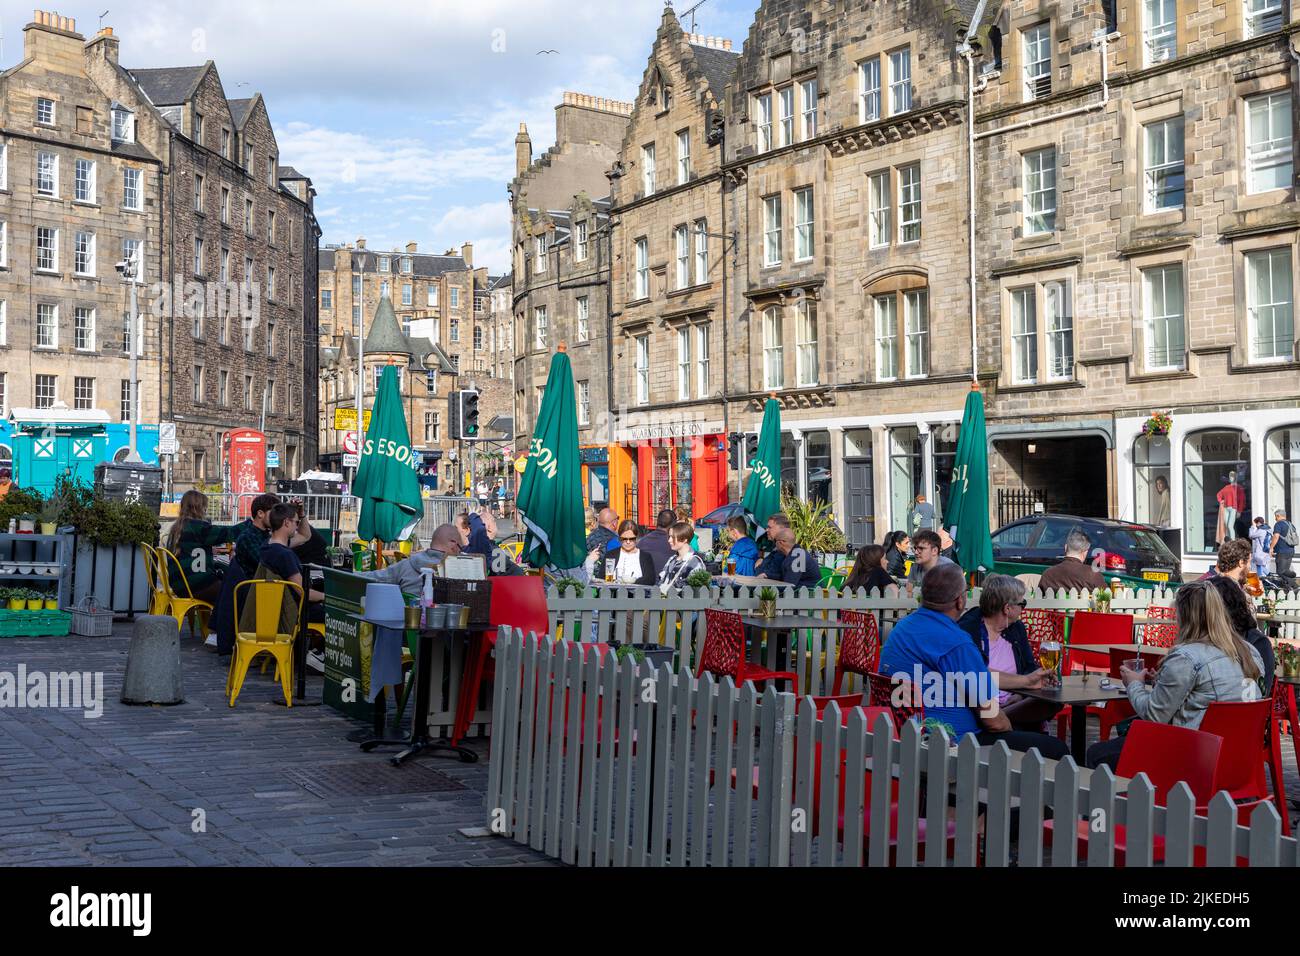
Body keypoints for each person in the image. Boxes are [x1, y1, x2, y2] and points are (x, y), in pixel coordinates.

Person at [878, 564, 1066, 757]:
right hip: (954, 744)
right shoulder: (956, 643)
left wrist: (1026, 682)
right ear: (960, 600)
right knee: (1056, 749)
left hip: (905, 735)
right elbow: (994, 722)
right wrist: (1011, 730)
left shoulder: (902, 629)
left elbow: (977, 677)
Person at [1086, 580, 1263, 771]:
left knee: (1097, 754)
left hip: (1190, 759)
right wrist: (1162, 682)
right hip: (1239, 758)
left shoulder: (1186, 658)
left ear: (1184, 617)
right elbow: (1207, 694)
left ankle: (1136, 800)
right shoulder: (1250, 652)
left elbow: (1154, 716)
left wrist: (1134, 684)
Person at [956, 575, 1063, 731]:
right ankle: (998, 721)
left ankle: (1006, 717)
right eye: (1022, 603)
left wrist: (1020, 695)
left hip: (1013, 703)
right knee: (1054, 747)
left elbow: (1028, 667)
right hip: (984, 708)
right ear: (1007, 609)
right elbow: (976, 675)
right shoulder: (969, 629)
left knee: (1054, 700)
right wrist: (1025, 682)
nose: (1023, 609)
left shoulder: (1016, 628)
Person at [164, 489, 238, 603]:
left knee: (222, 572)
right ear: (197, 508)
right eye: (204, 507)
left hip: (179, 584)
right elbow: (227, 533)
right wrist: (251, 525)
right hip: (196, 585)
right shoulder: (198, 527)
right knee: (238, 592)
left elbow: (192, 550)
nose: (206, 510)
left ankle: (213, 619)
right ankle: (222, 621)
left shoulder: (177, 527)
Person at [256, 504, 325, 623]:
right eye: (296, 523)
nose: (297, 526)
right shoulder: (284, 555)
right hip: (291, 612)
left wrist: (301, 515)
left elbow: (305, 535)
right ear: (287, 522)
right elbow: (305, 592)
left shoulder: (267, 546)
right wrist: (330, 598)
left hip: (275, 609)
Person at [1209, 575, 1273, 695]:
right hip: (1253, 711)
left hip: (1222, 711)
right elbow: (1263, 695)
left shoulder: (1256, 644)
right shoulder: (1260, 642)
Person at [1037, 528, 1106, 593]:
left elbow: (1039, 598)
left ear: (1065, 547)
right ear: (1085, 552)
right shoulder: (1093, 574)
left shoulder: (1048, 574)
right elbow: (1106, 599)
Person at [657, 521, 706, 593]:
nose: (669, 540)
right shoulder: (672, 559)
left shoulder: (695, 562)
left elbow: (694, 592)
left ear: (684, 539)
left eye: (673, 537)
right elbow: (661, 583)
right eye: (669, 536)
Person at [905, 529, 957, 593]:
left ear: (934, 551)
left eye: (921, 548)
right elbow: (909, 592)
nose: (916, 552)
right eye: (915, 548)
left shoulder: (949, 568)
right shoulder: (915, 567)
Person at [607, 519, 656, 585]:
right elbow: (602, 578)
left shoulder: (646, 557)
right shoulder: (611, 555)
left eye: (632, 539)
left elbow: (650, 580)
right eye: (624, 539)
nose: (628, 542)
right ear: (619, 538)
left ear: (636, 538)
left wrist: (632, 582)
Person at [637, 509, 676, 576]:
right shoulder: (674, 544)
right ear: (673, 525)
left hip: (644, 582)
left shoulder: (643, 541)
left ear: (657, 522)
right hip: (666, 582)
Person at [755, 512, 793, 578]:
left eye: (769, 527)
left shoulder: (783, 551)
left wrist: (758, 566)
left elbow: (764, 574)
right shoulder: (776, 549)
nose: (766, 530)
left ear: (782, 529)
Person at [1271, 508, 1297, 578]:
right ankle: (1289, 587)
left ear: (1278, 516)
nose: (1275, 519)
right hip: (1291, 551)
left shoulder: (1278, 524)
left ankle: (1294, 580)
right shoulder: (1291, 524)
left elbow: (1276, 536)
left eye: (1276, 516)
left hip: (1282, 551)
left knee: (1280, 571)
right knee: (1285, 571)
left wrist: (1271, 548)